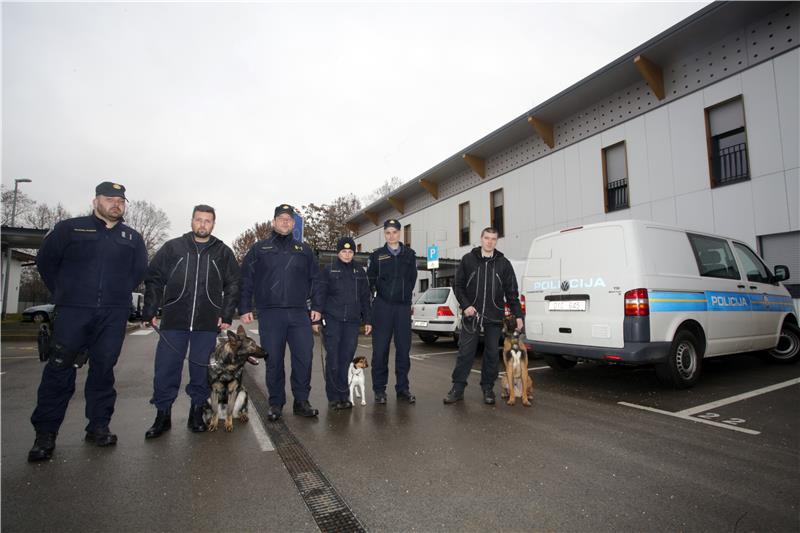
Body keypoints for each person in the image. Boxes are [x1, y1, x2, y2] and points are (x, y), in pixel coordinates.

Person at [28, 181, 148, 462]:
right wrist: (65, 293)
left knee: (103, 371)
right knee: (59, 371)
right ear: (96, 201)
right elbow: (46, 262)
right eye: (110, 199)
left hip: (112, 314)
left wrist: (115, 297)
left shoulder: (132, 238)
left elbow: (138, 271)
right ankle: (45, 435)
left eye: (120, 200)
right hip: (73, 312)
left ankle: (98, 426)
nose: (116, 204)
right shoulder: (70, 229)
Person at [140, 204, 240, 438]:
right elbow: (154, 278)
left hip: (207, 324)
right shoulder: (173, 248)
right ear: (191, 221)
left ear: (213, 224)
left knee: (200, 371)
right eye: (198, 220)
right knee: (165, 369)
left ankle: (197, 412)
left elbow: (234, 284)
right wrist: (150, 308)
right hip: (174, 321)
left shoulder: (222, 252)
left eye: (207, 221)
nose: (202, 224)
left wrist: (225, 314)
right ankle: (162, 416)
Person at [239, 204, 322, 421]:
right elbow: (246, 278)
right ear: (274, 222)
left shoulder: (304, 250)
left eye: (289, 219)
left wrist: (318, 307)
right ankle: (276, 403)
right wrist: (245, 306)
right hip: (270, 314)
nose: (285, 222)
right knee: (273, 360)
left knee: (303, 358)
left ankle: (301, 401)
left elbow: (316, 280)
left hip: (298, 314)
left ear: (293, 224)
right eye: (281, 218)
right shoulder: (259, 249)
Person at [443, 227, 523, 405]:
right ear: (481, 239)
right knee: (465, 352)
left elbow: (512, 293)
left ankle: (488, 388)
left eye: (493, 239)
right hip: (472, 316)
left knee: (492, 355)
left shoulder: (504, 263)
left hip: (494, 317)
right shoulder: (468, 260)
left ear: (497, 241)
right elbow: (458, 286)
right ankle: (457, 388)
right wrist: (466, 306)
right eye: (487, 238)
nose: (490, 242)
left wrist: (518, 315)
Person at [314, 236, 372, 410]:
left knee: (346, 360)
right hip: (332, 321)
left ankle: (344, 395)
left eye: (350, 251)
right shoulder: (329, 270)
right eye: (344, 251)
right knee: (333, 360)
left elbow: (365, 297)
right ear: (338, 252)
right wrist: (317, 318)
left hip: (352, 323)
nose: (347, 255)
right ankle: (333, 397)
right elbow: (320, 294)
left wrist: (368, 319)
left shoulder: (360, 271)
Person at [367, 218, 417, 404]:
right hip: (383, 307)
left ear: (399, 233)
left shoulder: (409, 255)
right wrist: (375, 302)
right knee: (380, 351)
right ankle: (379, 390)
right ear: (385, 234)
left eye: (394, 232)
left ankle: (402, 389)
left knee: (403, 351)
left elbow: (412, 279)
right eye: (387, 232)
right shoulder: (377, 256)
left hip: (403, 308)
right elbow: (369, 281)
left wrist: (404, 297)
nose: (391, 235)